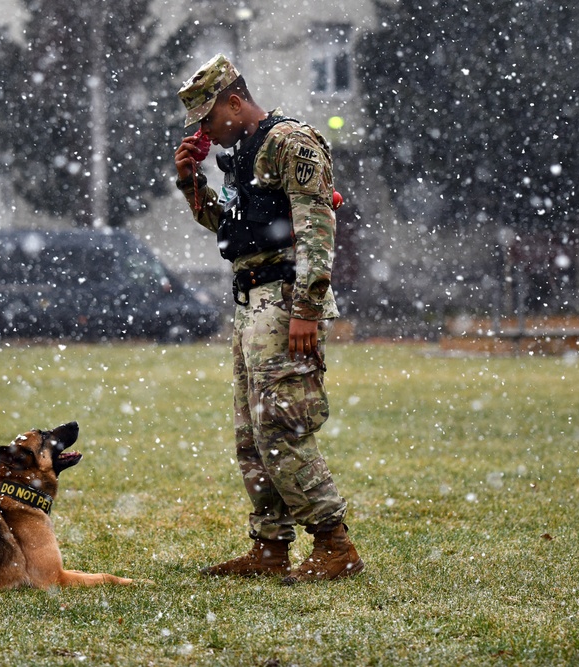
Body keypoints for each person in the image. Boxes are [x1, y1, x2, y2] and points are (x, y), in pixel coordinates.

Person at [173, 54, 364, 584]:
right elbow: (230, 230)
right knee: (251, 435)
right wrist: (191, 181)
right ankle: (270, 545)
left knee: (282, 427)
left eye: (209, 121)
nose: (206, 133)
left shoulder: (290, 143)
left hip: (284, 302)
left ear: (234, 102)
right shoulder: (243, 156)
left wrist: (306, 308)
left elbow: (316, 230)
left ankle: (333, 544)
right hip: (251, 301)